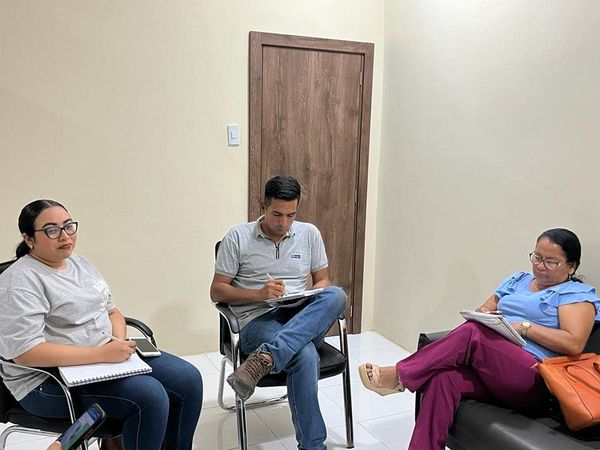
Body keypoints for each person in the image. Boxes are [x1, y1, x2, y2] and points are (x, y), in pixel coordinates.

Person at [359, 228, 600, 450]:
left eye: (550, 261)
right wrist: (488, 317)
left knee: (472, 332)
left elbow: (574, 344)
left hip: (533, 376)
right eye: (537, 257)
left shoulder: (575, 295)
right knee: (444, 379)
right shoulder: (517, 280)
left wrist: (525, 327)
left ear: (571, 267)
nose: (540, 266)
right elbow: (484, 310)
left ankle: (399, 375)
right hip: (495, 365)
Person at [0, 200, 203, 450]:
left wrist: (116, 342)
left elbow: (112, 311)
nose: (65, 236)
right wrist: (102, 354)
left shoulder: (81, 264)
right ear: (29, 238)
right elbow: (26, 353)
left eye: (69, 226)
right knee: (149, 396)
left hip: (103, 358)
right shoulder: (19, 281)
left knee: (188, 379)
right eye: (52, 230)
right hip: (48, 381)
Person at [210, 175, 347, 450]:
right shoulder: (237, 237)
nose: (284, 223)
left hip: (301, 315)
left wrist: (309, 295)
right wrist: (259, 294)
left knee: (336, 295)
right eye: (277, 214)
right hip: (256, 320)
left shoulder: (309, 234)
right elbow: (217, 291)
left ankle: (266, 358)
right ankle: (313, 447)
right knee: (304, 353)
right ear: (263, 206)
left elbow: (323, 280)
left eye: (291, 215)